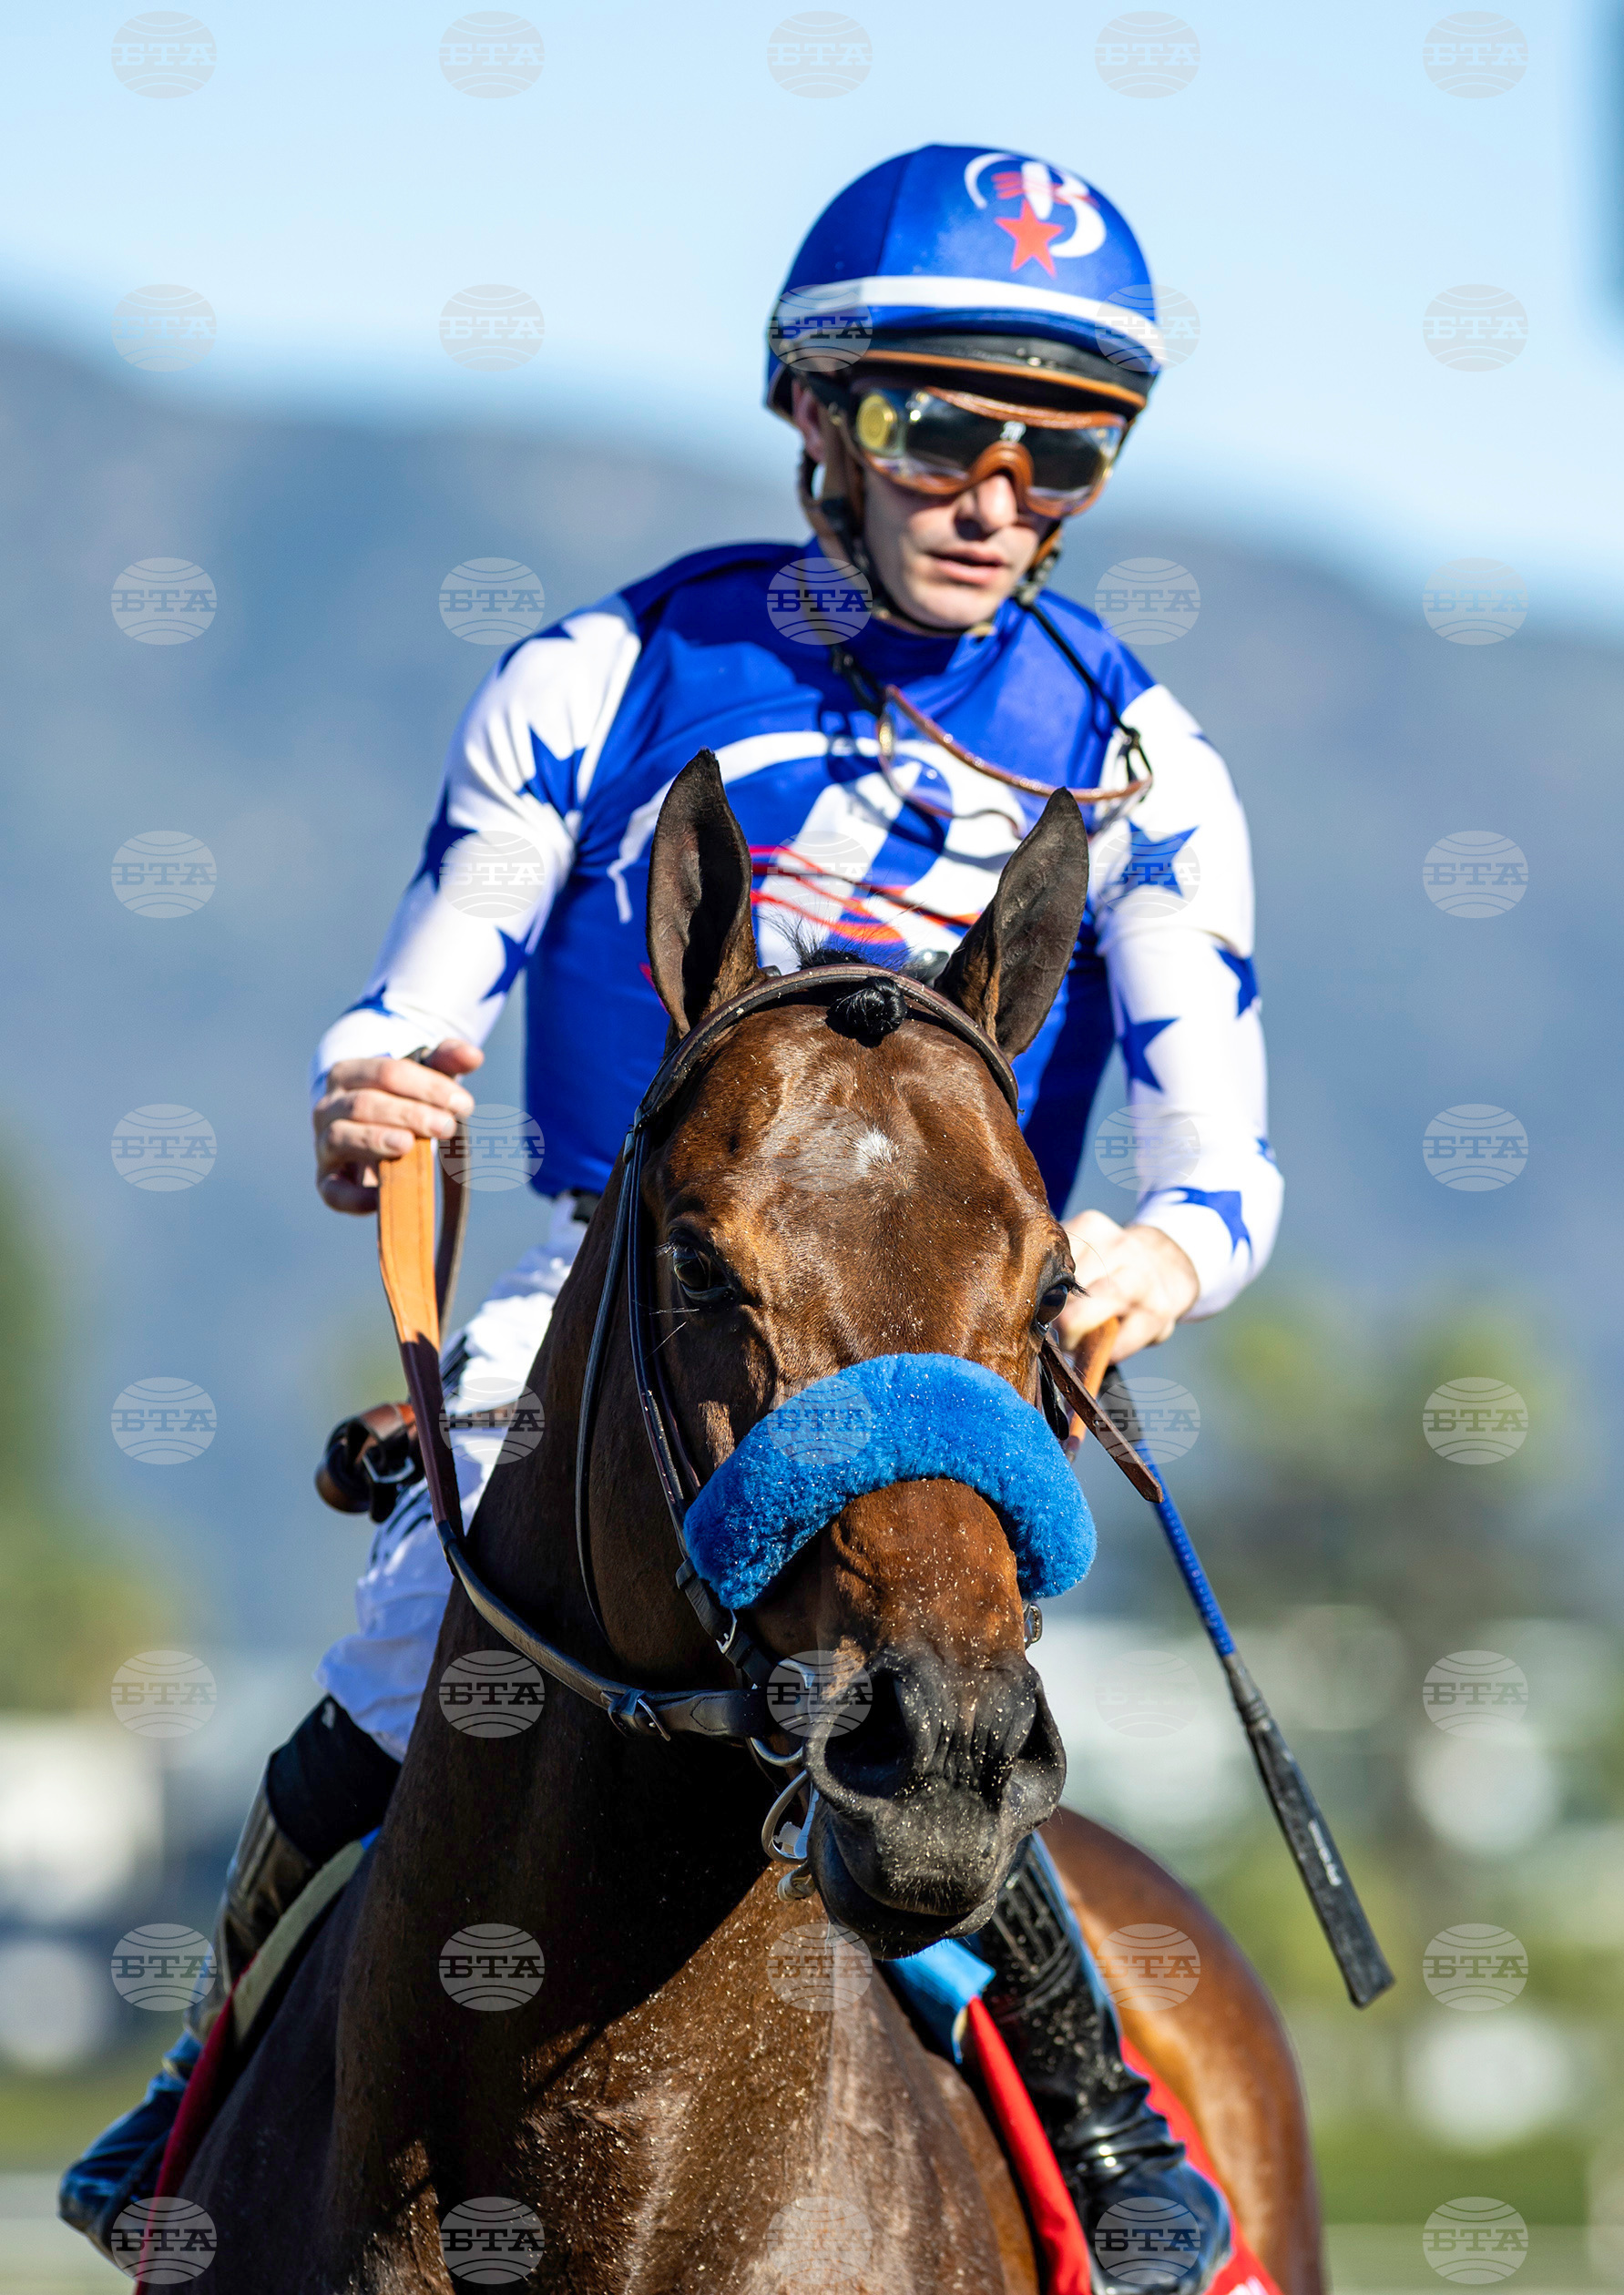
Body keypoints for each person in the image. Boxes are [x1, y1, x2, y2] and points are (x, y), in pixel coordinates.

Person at [65, 145, 1280, 2285]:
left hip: (964, 1326)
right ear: (817, 415)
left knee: (944, 1657)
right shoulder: (599, 674)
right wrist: (377, 1081)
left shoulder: (1144, 758)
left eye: (1066, 448)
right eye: (942, 425)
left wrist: (1143, 1265)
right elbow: (419, 991)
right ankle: (209, 2070)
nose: (1001, 492)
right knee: (392, 1638)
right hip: (625, 1282)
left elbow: (1224, 1158)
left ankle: (1096, 2120)